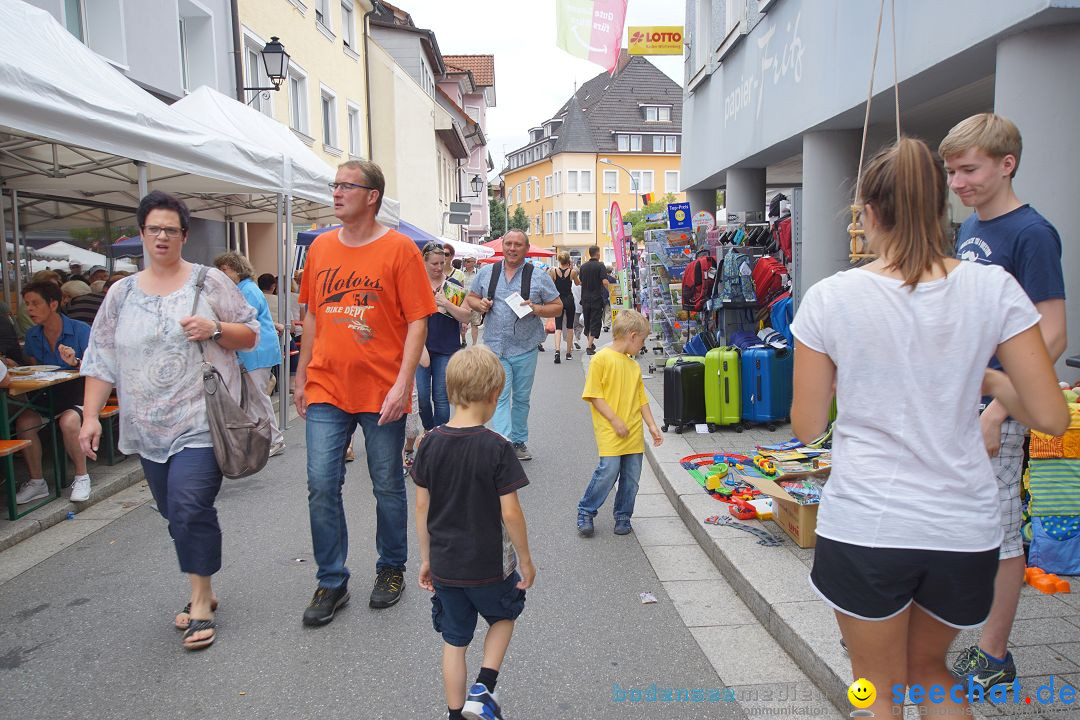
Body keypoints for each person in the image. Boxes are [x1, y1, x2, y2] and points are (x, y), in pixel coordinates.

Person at [788, 137, 1069, 718]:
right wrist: (987, 382)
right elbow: (1051, 416)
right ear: (943, 210)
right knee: (931, 675)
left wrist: (849, 375)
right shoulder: (993, 289)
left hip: (868, 523)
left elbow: (808, 424)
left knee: (874, 687)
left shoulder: (831, 299)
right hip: (963, 528)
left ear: (867, 214)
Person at [78, 191, 259, 651]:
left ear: (183, 235)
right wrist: (90, 416)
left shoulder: (209, 281)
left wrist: (214, 329)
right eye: (154, 228)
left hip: (201, 417)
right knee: (172, 511)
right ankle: (207, 586)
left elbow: (250, 332)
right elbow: (101, 357)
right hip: (146, 425)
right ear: (141, 234)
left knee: (189, 504)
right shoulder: (120, 293)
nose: (162, 236)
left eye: (171, 229)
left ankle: (199, 600)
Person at [939, 114, 1069, 687]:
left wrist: (999, 408)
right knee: (959, 520)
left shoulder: (1032, 233)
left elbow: (1054, 331)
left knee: (999, 527)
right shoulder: (971, 226)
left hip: (1000, 403)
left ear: (1006, 164)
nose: (957, 182)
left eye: (968, 170)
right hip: (965, 397)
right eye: (951, 171)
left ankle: (994, 657)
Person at [294, 159, 435, 624]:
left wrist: (403, 385)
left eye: (345, 186)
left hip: (382, 389)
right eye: (333, 185)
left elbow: (418, 320)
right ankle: (331, 580)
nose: (335, 192)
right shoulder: (318, 249)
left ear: (371, 196)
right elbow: (312, 315)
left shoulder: (400, 250)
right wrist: (300, 374)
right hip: (325, 385)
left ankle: (390, 567)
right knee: (320, 484)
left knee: (387, 484)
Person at [412, 345, 535, 720]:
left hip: (447, 566)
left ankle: (454, 713)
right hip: (489, 565)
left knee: (454, 641)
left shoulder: (428, 443)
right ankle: (483, 689)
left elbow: (421, 506)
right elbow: (510, 511)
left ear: (450, 391)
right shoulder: (497, 447)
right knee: (502, 617)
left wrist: (426, 559)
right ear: (495, 395)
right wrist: (526, 561)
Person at [465, 230, 562, 461]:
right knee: (499, 395)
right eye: (508, 243)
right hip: (496, 346)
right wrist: (481, 305)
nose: (512, 248)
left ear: (526, 249)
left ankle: (518, 440)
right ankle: (503, 442)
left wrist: (536, 309)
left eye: (517, 244)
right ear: (503, 246)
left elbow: (557, 306)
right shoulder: (488, 272)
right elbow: (471, 297)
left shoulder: (538, 276)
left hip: (525, 347)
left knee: (521, 398)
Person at [576, 310, 662, 537]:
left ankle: (623, 516)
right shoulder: (601, 359)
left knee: (632, 477)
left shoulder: (633, 366)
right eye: (642, 341)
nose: (642, 346)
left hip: (632, 430)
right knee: (608, 471)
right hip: (610, 428)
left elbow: (641, 399)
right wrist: (615, 420)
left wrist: (652, 426)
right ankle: (586, 510)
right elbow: (594, 395)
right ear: (632, 336)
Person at [13, 281, 93, 505]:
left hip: (80, 395)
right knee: (23, 422)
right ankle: (37, 482)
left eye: (35, 303)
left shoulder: (80, 329)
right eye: (27, 304)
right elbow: (33, 364)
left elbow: (96, 368)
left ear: (54, 304)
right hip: (48, 397)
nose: (29, 309)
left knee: (68, 422)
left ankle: (81, 476)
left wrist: (76, 361)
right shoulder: (32, 335)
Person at [213, 252, 285, 457]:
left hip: (257, 351)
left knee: (258, 398)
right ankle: (266, 439)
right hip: (255, 350)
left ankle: (275, 439)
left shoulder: (247, 290)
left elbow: (243, 320)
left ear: (234, 268)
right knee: (255, 398)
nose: (221, 274)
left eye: (224, 270)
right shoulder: (245, 288)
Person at [417, 242, 472, 430]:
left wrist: (446, 303)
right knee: (422, 397)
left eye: (442, 262)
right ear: (424, 263)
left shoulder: (452, 286)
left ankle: (438, 436)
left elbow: (466, 315)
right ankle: (428, 429)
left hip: (446, 348)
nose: (439, 267)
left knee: (440, 397)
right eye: (434, 264)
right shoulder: (416, 285)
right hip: (420, 347)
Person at [547, 252, 579, 364]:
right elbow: (578, 283)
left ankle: (557, 351)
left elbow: (550, 285)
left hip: (558, 300)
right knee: (570, 327)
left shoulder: (553, 271)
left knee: (558, 327)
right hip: (569, 300)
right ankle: (569, 353)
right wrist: (571, 269)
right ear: (568, 261)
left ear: (559, 260)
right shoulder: (573, 272)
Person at [578, 245, 609, 355]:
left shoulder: (583, 266)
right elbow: (605, 282)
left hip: (585, 298)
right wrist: (611, 291)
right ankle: (589, 346)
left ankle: (590, 344)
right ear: (598, 253)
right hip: (596, 298)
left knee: (587, 321)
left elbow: (581, 281)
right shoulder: (600, 266)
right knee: (595, 321)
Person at [459, 256, 481, 348]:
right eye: (465, 261)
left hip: (475, 301)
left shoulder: (479, 273)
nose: (466, 263)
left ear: (474, 262)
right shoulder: (461, 273)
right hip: (464, 301)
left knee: (474, 324)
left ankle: (474, 344)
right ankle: (463, 340)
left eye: (468, 261)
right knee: (462, 323)